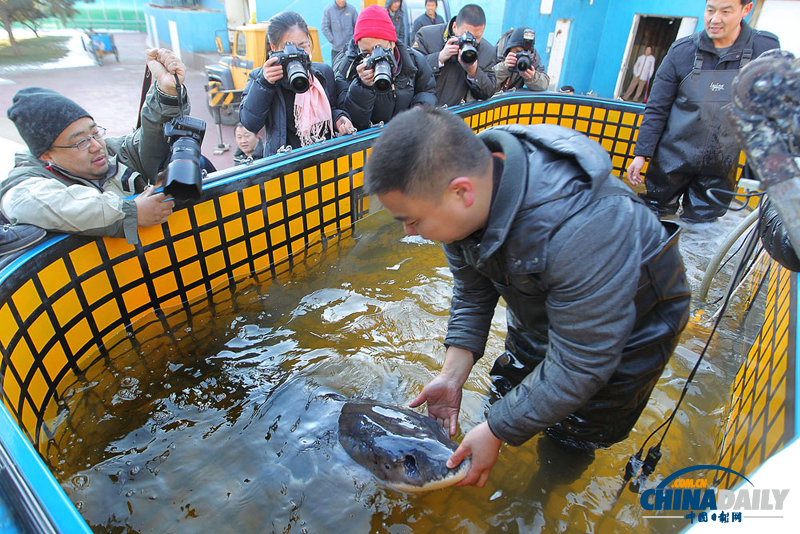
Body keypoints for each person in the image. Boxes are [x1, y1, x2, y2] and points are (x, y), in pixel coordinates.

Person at [364, 107, 691, 487]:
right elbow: (472, 291)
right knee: (510, 390)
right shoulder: (470, 194)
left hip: (633, 326)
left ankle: (547, 489)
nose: (409, 232)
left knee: (575, 431)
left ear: (461, 192)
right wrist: (453, 376)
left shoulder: (584, 223)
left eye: (413, 220)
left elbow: (584, 361)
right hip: (538, 293)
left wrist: (499, 429)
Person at [0, 48, 186, 245]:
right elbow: (27, 203)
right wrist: (131, 212)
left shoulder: (115, 151)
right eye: (80, 142)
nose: (97, 146)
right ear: (46, 155)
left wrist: (168, 93)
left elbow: (152, 138)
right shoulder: (25, 183)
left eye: (95, 132)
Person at [627, 0, 779, 223]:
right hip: (672, 156)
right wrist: (642, 154)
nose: (715, 19)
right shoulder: (683, 51)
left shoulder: (764, 49)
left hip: (721, 161)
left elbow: (770, 106)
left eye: (725, 11)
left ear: (745, 10)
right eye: (710, 10)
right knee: (653, 217)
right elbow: (657, 107)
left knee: (704, 230)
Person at [240, 11, 355, 157]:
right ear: (274, 47)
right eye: (289, 47)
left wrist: (340, 118)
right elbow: (250, 123)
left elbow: (331, 108)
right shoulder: (260, 77)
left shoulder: (323, 73)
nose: (296, 53)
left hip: (322, 158)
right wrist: (265, 84)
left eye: (303, 46)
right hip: (284, 165)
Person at [333, 5, 436, 131]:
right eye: (366, 53)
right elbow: (354, 122)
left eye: (379, 49)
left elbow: (428, 91)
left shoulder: (414, 60)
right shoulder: (347, 69)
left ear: (392, 42)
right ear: (358, 46)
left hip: (406, 135)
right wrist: (363, 87)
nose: (374, 58)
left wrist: (419, 110)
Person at [412, 4, 497, 107]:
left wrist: (474, 72)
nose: (471, 41)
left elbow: (489, 91)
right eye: (466, 34)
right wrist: (439, 58)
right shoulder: (426, 35)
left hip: (457, 117)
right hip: (422, 112)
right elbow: (411, 72)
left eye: (477, 37)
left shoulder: (487, 51)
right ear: (455, 26)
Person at [494, 27, 549, 93]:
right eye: (517, 51)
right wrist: (503, 68)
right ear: (508, 50)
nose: (522, 56)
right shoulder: (495, 53)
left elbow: (544, 84)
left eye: (526, 52)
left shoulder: (532, 57)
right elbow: (483, 85)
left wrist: (532, 77)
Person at [321, 0, 359, 65]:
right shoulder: (329, 10)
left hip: (350, 49)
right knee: (336, 69)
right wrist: (333, 40)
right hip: (336, 50)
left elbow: (357, 26)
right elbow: (324, 27)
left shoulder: (352, 10)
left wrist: (353, 41)